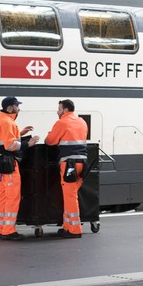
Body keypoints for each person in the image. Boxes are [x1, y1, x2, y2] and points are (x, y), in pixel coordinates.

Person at [44, 99, 89, 238]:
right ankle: (67, 226)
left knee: (70, 196)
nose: (57, 111)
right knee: (71, 195)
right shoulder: (82, 121)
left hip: (69, 164)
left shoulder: (62, 122)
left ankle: (75, 230)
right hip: (83, 163)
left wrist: (51, 133)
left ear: (65, 110)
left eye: (59, 109)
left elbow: (50, 141)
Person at [0, 96, 33, 241]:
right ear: (10, 107)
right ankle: (9, 230)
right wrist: (29, 144)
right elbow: (10, 146)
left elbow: (3, 140)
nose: (18, 108)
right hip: (8, 163)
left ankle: (1, 229)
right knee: (12, 196)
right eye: (16, 106)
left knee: (1, 195)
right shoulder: (8, 122)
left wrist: (20, 134)